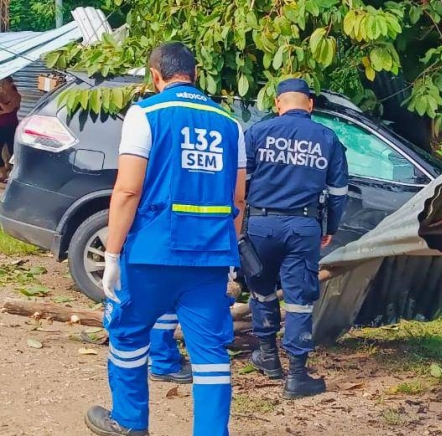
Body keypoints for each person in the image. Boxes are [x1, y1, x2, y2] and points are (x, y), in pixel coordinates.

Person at [85, 42, 246, 436]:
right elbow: (238, 198)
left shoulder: (146, 114)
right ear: (194, 74)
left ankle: (129, 421)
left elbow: (126, 191)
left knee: (127, 334)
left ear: (156, 75)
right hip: (209, 258)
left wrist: (111, 254)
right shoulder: (230, 124)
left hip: (151, 255)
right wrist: (230, 257)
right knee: (210, 353)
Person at [243, 78, 348, 399]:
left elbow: (239, 182)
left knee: (261, 291)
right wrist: (330, 227)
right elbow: (339, 193)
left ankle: (268, 356)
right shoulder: (328, 139)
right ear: (310, 104)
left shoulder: (257, 133)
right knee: (299, 300)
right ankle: (297, 376)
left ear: (278, 104)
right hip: (303, 227)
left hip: (260, 224)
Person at [0, 77, 21, 183]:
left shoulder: (16, 95)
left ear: (10, 83)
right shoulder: (1, 94)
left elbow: (9, 109)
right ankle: (3, 174)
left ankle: (14, 173)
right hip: (1, 126)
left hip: (11, 126)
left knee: (13, 151)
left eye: (3, 83)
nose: (2, 85)